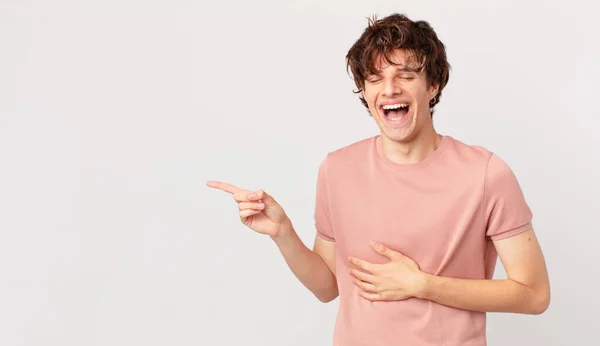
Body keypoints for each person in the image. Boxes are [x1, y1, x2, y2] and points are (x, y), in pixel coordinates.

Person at [207, 13, 550, 346]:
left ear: (433, 84)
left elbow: (534, 294)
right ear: (364, 91)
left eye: (405, 75)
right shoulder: (337, 169)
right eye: (374, 78)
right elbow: (328, 287)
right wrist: (283, 234)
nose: (389, 89)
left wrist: (422, 285)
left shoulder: (486, 174)